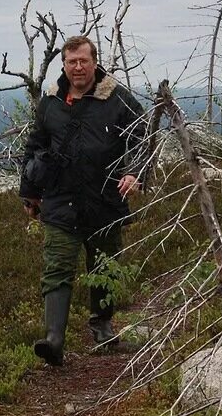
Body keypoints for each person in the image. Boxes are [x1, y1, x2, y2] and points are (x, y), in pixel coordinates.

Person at [19, 36, 146, 366]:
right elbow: (34, 147)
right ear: (64, 64)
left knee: (105, 267)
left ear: (94, 62)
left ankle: (102, 327)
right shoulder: (50, 102)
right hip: (60, 201)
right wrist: (29, 193)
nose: (78, 67)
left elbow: (143, 137)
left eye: (83, 61)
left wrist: (135, 174)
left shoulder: (118, 99)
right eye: (71, 61)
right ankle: (54, 340)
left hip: (105, 200)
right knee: (57, 267)